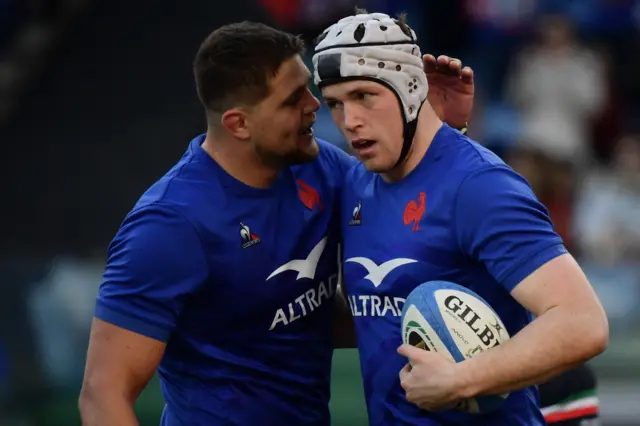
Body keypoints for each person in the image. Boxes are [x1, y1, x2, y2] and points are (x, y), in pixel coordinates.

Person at [78, 20, 475, 426]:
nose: (314, 105)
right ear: (239, 124)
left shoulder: (322, 169)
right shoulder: (169, 225)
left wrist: (434, 131)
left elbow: (409, 205)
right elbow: (102, 394)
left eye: (307, 86)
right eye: (291, 100)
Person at [313, 10, 608, 426]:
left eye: (364, 96)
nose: (349, 121)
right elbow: (374, 315)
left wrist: (461, 379)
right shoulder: (358, 184)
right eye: (334, 104)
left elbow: (583, 323)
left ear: (411, 88)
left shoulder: (479, 187)